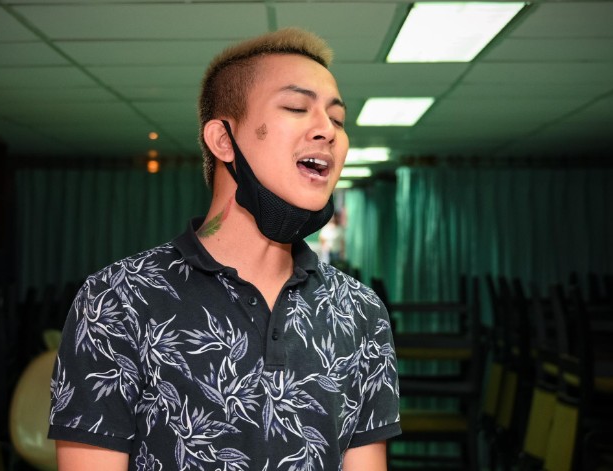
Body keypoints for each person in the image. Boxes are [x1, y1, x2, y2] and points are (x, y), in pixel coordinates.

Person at [48, 27, 401, 470]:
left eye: (338, 119)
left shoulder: (362, 311)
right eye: (297, 107)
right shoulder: (116, 299)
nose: (327, 130)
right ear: (222, 140)